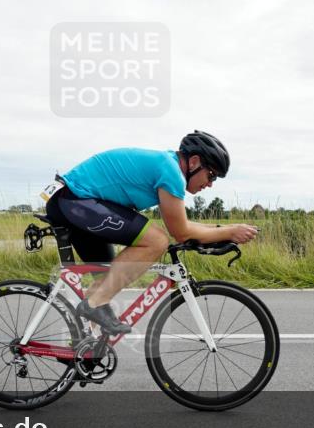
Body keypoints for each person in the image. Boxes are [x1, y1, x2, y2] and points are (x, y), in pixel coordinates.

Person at [42, 130, 259, 335]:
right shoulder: (171, 172)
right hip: (74, 200)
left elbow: (182, 225)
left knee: (106, 283)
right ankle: (93, 306)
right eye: (211, 175)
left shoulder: (167, 165)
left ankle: (81, 350)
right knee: (156, 240)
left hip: (73, 201)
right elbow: (181, 233)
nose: (210, 184)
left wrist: (222, 230)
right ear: (194, 162)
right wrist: (229, 232)